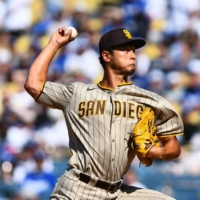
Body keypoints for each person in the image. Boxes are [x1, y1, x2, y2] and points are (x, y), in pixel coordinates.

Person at [24, 27, 184, 200]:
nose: (133, 55)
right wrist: (54, 44)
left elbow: (173, 147)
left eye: (133, 50)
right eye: (125, 50)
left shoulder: (149, 100)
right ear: (107, 56)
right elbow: (33, 84)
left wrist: (157, 152)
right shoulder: (76, 93)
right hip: (77, 188)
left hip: (116, 192)